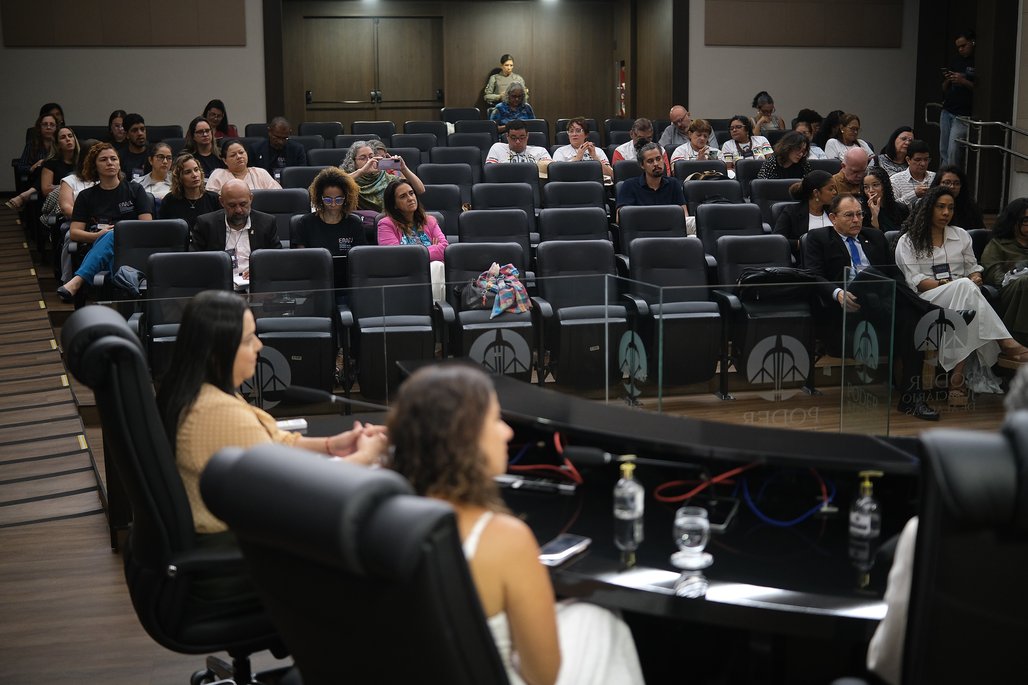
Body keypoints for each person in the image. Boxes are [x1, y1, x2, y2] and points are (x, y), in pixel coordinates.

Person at [386, 364, 645, 685]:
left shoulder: (385, 520)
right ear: (465, 439)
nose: (508, 431)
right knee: (603, 622)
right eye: (495, 420)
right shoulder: (505, 538)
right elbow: (543, 675)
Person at [156, 290, 387, 534]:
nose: (259, 345)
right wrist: (365, 458)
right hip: (246, 543)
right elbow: (297, 491)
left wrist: (332, 445)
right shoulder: (216, 412)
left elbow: (272, 442)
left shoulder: (207, 393)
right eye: (248, 340)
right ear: (216, 354)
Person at [804, 194, 940, 420]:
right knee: (867, 274)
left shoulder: (875, 237)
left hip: (882, 305)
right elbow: (813, 276)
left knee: (911, 319)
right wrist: (837, 294)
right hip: (846, 308)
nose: (857, 219)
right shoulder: (818, 238)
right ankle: (933, 312)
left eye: (860, 214)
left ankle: (911, 399)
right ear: (833, 218)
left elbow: (895, 274)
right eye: (849, 215)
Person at [896, 186, 1028, 405]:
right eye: (940, 207)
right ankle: (1004, 344)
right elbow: (916, 282)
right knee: (965, 289)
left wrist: (975, 276)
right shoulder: (908, 241)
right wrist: (953, 282)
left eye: (950, 207)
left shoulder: (961, 235)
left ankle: (957, 379)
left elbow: (973, 267)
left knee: (967, 298)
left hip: (962, 296)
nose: (946, 212)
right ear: (928, 209)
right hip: (925, 300)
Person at [56, 142, 154, 302]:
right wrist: (98, 236)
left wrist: (120, 233)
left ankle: (78, 281)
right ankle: (130, 291)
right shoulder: (86, 196)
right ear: (94, 165)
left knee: (116, 233)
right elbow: (74, 232)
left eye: (113, 159)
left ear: (119, 163)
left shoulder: (135, 190)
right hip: (98, 245)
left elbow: (146, 227)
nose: (110, 163)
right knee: (110, 238)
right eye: (103, 160)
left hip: (133, 246)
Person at [191, 179, 282, 285]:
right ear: (222, 202)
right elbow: (195, 262)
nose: (239, 210)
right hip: (219, 287)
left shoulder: (266, 222)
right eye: (232, 205)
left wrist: (260, 272)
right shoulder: (206, 224)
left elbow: (276, 259)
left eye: (243, 204)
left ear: (251, 199)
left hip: (256, 286)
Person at [615, 141, 693, 233]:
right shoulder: (629, 185)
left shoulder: (673, 184)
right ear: (642, 165)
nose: (656, 164)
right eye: (650, 161)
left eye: (658, 159)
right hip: (643, 232)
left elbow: (684, 215)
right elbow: (620, 218)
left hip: (669, 230)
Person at [980, 198, 1028, 346]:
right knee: (1025, 281)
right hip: (1008, 292)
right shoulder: (998, 245)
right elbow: (995, 276)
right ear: (1014, 222)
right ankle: (1020, 339)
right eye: (1026, 220)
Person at [292, 167, 365, 256]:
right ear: (320, 198)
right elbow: (301, 258)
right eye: (328, 200)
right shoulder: (306, 222)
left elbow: (360, 257)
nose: (333, 204)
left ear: (346, 199)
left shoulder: (354, 223)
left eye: (338, 199)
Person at [341, 139, 424, 213]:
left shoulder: (387, 178)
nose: (369, 161)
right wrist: (362, 171)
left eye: (371, 156)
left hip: (390, 221)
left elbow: (420, 190)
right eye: (363, 158)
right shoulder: (350, 178)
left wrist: (403, 168)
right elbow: (336, 183)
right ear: (353, 161)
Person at [377, 179, 447, 261]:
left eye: (411, 193)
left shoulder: (430, 221)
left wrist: (408, 254)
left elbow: (444, 249)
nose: (410, 198)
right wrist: (432, 249)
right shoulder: (386, 224)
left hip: (430, 268)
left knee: (437, 265)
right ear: (394, 204)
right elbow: (394, 256)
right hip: (404, 272)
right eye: (403, 196)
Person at [773, 169, 837, 255]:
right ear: (816, 193)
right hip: (806, 262)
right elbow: (777, 241)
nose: (835, 192)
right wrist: (803, 243)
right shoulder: (792, 212)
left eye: (835, 188)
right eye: (831, 189)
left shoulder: (834, 210)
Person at [940, 30, 976, 167]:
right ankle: (942, 181)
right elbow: (944, 87)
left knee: (953, 151)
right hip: (948, 109)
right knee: (943, 150)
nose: (961, 49)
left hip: (963, 114)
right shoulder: (956, 61)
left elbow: (979, 89)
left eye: (964, 45)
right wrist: (949, 79)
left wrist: (963, 81)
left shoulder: (977, 61)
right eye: (958, 47)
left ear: (972, 43)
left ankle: (952, 180)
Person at [7, 112, 58, 209]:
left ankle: (27, 194)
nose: (48, 127)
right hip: (35, 178)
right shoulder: (32, 145)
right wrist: (32, 167)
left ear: (56, 128)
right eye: (45, 124)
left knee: (46, 165)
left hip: (56, 179)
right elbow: (21, 167)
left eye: (52, 124)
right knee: (42, 168)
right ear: (40, 127)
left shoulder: (60, 145)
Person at [158, 154, 221, 231]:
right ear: (179, 178)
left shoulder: (214, 199)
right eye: (188, 172)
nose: (194, 175)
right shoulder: (169, 200)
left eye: (196, 169)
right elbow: (162, 230)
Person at [205, 139, 282, 192]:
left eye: (241, 152)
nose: (239, 157)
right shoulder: (218, 175)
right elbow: (211, 200)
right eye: (233, 155)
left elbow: (278, 194)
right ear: (225, 160)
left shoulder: (260, 173)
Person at [925, 164, 984, 230]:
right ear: (938, 184)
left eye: (956, 183)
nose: (952, 186)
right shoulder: (929, 205)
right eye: (947, 183)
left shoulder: (970, 207)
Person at [253, 117, 307, 183]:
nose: (280, 142)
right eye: (277, 137)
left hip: (290, 186)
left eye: (284, 138)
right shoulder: (256, 149)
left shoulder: (297, 149)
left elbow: (301, 174)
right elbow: (253, 176)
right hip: (264, 187)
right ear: (269, 132)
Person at [485, 118, 552, 164]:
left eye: (522, 137)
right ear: (507, 136)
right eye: (513, 138)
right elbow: (490, 171)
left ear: (527, 136)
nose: (517, 141)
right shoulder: (497, 148)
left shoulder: (540, 152)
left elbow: (547, 173)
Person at [889, 140, 934, 208]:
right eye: (918, 160)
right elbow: (892, 207)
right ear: (908, 160)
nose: (923, 164)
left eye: (926, 159)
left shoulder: (935, 177)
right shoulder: (895, 180)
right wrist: (914, 195)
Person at [862, 166, 909, 232]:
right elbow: (872, 238)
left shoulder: (901, 209)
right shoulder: (862, 213)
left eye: (875, 185)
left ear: (884, 186)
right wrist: (874, 217)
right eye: (866, 187)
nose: (871, 190)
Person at [40, 126, 80, 198]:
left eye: (70, 136)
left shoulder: (83, 161)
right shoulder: (50, 163)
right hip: (60, 200)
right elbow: (46, 190)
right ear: (57, 144)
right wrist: (69, 185)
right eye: (63, 137)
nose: (68, 139)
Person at [117, 113, 150, 181]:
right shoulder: (119, 157)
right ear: (127, 135)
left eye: (142, 129)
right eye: (135, 130)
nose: (140, 133)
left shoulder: (154, 154)